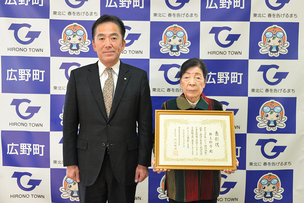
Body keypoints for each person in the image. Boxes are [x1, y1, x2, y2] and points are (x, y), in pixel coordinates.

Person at [63, 14, 153, 203]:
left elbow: (145, 125)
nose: (108, 44)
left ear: (123, 43)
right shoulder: (78, 77)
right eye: (101, 38)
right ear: (94, 44)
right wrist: (70, 163)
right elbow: (70, 124)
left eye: (114, 38)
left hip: (126, 162)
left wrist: (143, 163)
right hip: (88, 162)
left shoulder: (138, 78)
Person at [152, 58, 238, 203]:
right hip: (179, 185)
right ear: (181, 82)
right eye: (186, 77)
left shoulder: (215, 107)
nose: (192, 82)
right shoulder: (168, 106)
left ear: (204, 82)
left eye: (197, 77)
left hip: (207, 185)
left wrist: (230, 160)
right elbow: (158, 140)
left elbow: (224, 141)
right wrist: (158, 158)